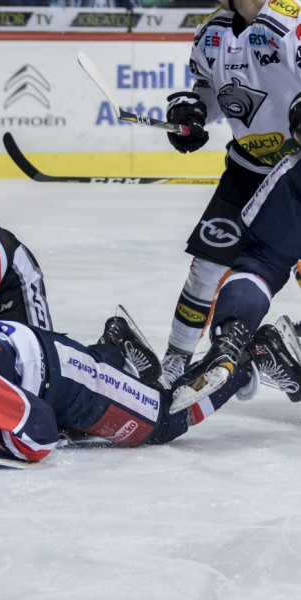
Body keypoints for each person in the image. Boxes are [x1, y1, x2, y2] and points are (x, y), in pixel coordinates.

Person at [0, 311, 301, 469]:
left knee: (162, 422)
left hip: (66, 382)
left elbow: (39, 437)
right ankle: (113, 347)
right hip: (29, 354)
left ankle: (259, 354)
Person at [157, 0, 300, 388]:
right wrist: (193, 111)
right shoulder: (209, 33)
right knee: (206, 267)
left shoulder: (293, 18)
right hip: (247, 170)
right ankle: (175, 362)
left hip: (296, 173)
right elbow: (212, 90)